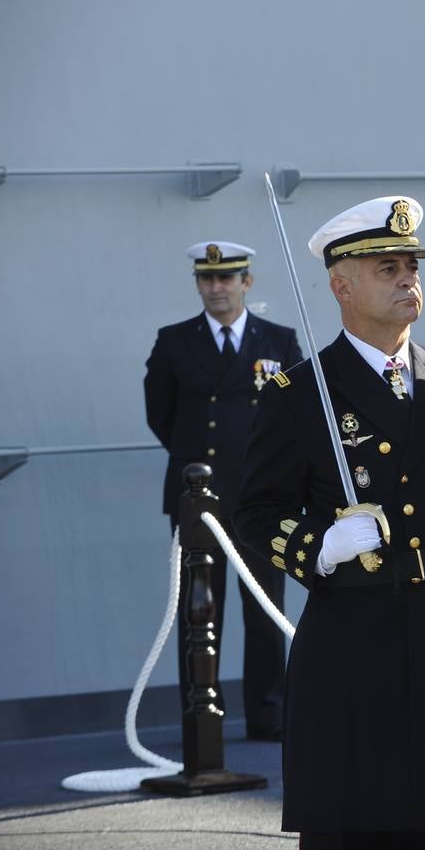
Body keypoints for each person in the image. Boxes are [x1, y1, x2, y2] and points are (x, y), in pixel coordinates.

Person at [234, 196, 425, 850]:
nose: (408, 278)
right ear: (340, 284)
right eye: (387, 266)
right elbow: (256, 514)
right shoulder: (301, 393)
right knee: (358, 830)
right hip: (356, 649)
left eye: (411, 264)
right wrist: (321, 546)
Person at [143, 240, 301, 740]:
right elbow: (160, 414)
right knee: (199, 610)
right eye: (207, 279)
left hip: (261, 498)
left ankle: (269, 714)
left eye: (227, 278)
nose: (216, 287)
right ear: (198, 285)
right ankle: (200, 711)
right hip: (199, 502)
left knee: (264, 608)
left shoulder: (278, 341)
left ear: (246, 283)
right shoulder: (174, 342)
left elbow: (294, 419)